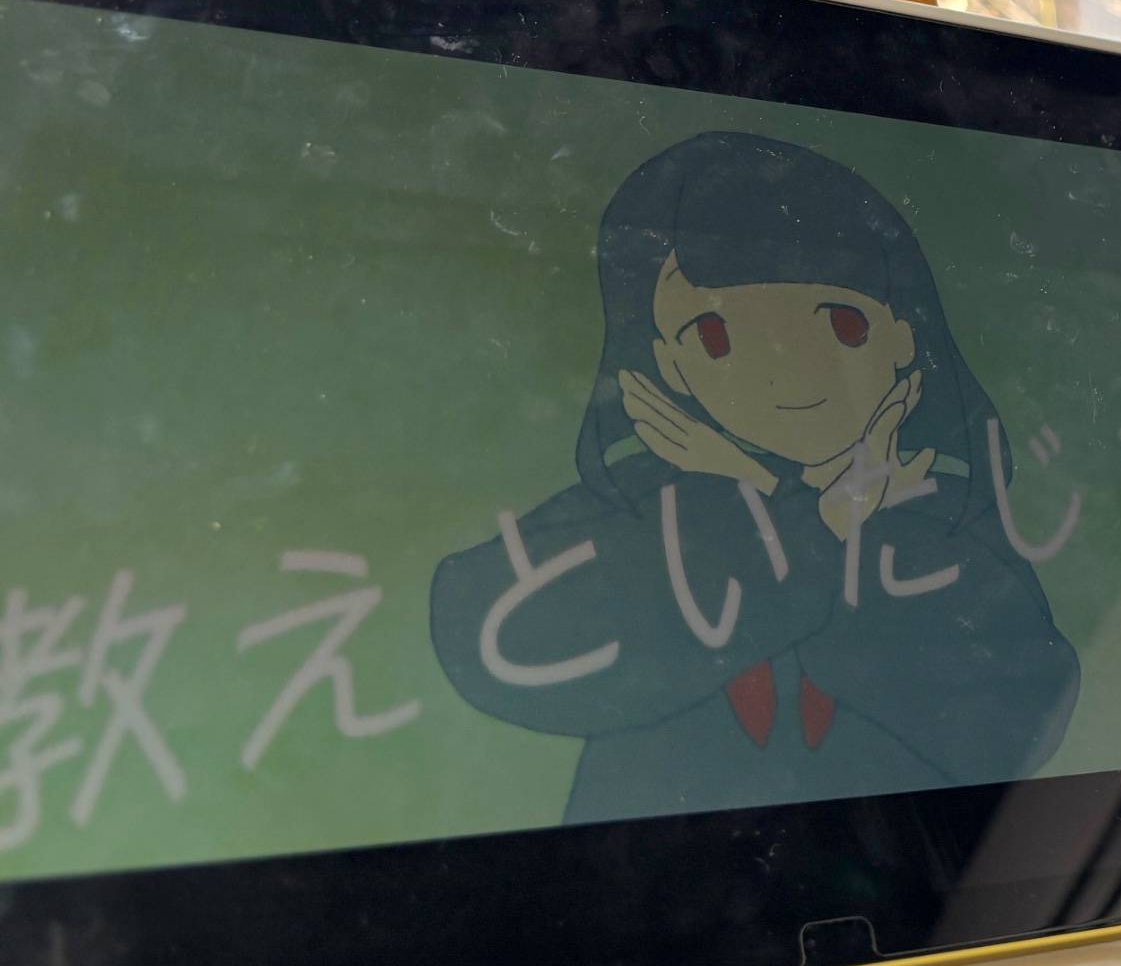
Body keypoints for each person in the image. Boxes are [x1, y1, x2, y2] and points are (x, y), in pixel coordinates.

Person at [430, 131, 1080, 823]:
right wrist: (812, 521)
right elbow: (493, 637)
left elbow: (1018, 717)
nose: (784, 371)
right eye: (717, 337)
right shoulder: (646, 505)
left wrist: (788, 504)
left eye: (841, 325)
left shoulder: (937, 517)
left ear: (902, 337)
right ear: (671, 365)